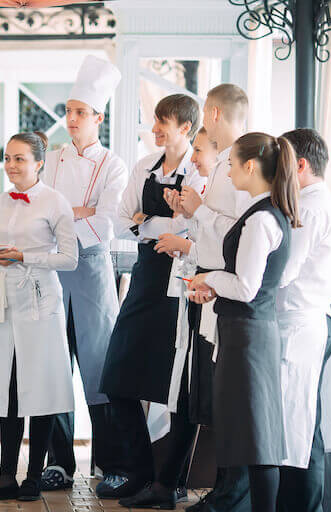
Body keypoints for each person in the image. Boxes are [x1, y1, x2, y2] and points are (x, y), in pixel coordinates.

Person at [98, 93, 207, 500]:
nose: (155, 129)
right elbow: (120, 217)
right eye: (154, 120)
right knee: (117, 378)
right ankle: (139, 471)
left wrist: (154, 224)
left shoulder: (198, 173)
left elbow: (195, 231)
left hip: (180, 287)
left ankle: (170, 481)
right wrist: (163, 226)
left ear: (185, 128)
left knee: (176, 388)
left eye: (163, 122)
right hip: (145, 279)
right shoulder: (144, 166)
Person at [188, 132, 301, 512]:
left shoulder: (260, 220)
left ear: (250, 167)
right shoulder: (269, 213)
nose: (230, 171)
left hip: (248, 338)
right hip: (248, 334)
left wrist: (209, 280)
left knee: (258, 439)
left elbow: (248, 287)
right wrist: (215, 288)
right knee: (253, 436)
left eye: (233, 164)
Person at [39, 55, 130, 495]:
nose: (71, 119)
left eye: (80, 113)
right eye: (69, 111)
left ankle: (111, 463)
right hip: (53, 274)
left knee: (99, 370)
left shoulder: (113, 165)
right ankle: (58, 463)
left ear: (99, 117)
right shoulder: (50, 159)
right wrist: (79, 212)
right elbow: (38, 208)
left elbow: (108, 222)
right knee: (55, 367)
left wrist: (64, 219)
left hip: (92, 274)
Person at [0, 132, 78, 503]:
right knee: (8, 385)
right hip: (5, 297)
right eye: (7, 158)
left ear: (38, 163)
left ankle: (34, 476)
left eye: (19, 159)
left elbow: (69, 258)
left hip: (39, 299)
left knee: (41, 386)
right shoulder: (1, 200)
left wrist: (25, 257)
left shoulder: (55, 202)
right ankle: (5, 477)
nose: (11, 166)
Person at [120, 127, 220, 509]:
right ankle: (161, 482)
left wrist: (182, 239)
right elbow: (122, 218)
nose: (194, 159)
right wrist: (178, 220)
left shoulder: (217, 195)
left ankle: (173, 484)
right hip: (184, 292)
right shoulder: (198, 192)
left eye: (199, 150)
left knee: (190, 395)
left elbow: (217, 246)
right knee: (180, 392)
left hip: (203, 299)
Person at [173, 84, 253, 512]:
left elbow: (238, 229)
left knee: (229, 398)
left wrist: (200, 208)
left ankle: (232, 493)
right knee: (216, 394)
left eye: (206, 112)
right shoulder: (223, 162)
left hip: (230, 290)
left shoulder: (242, 163)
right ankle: (224, 489)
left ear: (215, 113)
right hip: (211, 284)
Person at [275, 129, 331, 512]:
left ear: (300, 166)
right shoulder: (317, 203)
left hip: (302, 325)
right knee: (300, 424)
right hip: (308, 321)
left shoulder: (310, 207)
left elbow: (283, 271)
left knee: (298, 429)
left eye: (281, 164)